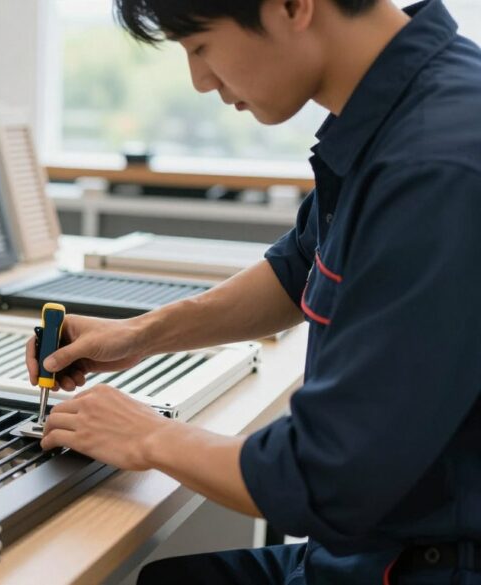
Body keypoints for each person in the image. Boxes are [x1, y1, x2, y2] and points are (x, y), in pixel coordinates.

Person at [25, 0, 481, 583]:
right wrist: (139, 334)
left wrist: (147, 436)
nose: (200, 80)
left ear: (292, 7)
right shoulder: (397, 110)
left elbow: (322, 476)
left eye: (201, 46)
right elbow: (299, 268)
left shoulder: (435, 164)